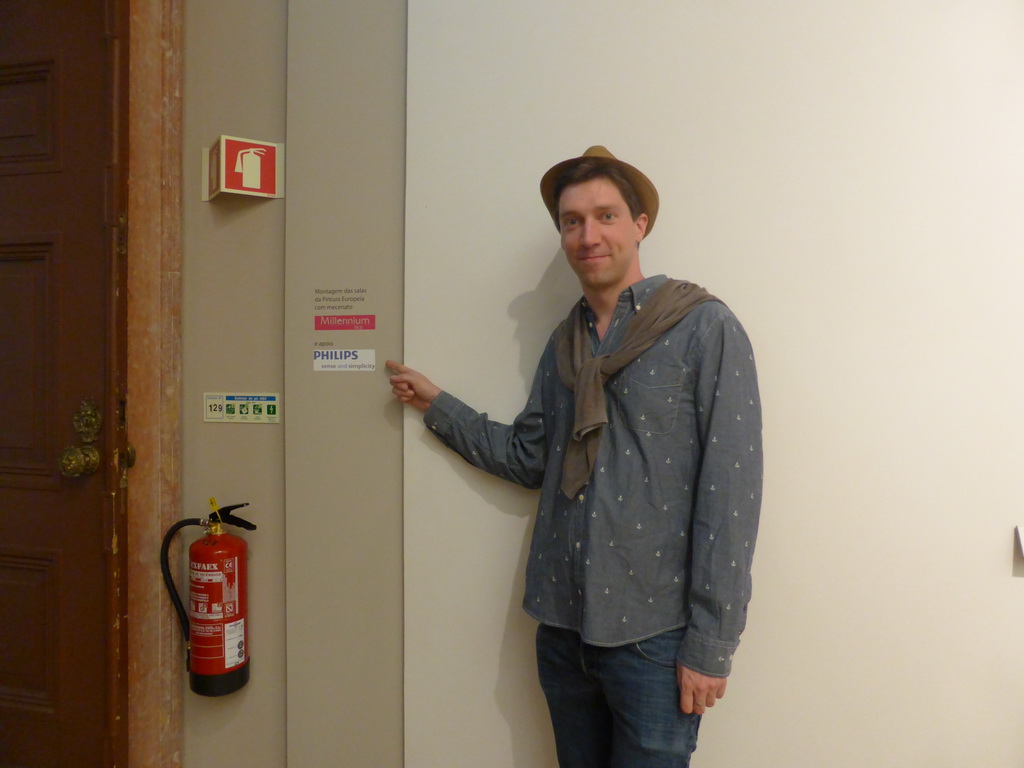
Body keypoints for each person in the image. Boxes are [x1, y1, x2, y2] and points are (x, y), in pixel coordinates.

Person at [387, 146, 762, 767]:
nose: (588, 235)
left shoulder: (703, 329)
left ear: (640, 224)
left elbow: (732, 495)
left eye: (606, 216)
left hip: (655, 639)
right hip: (563, 629)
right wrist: (437, 405)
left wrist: (711, 645)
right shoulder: (566, 341)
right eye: (571, 221)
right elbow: (530, 457)